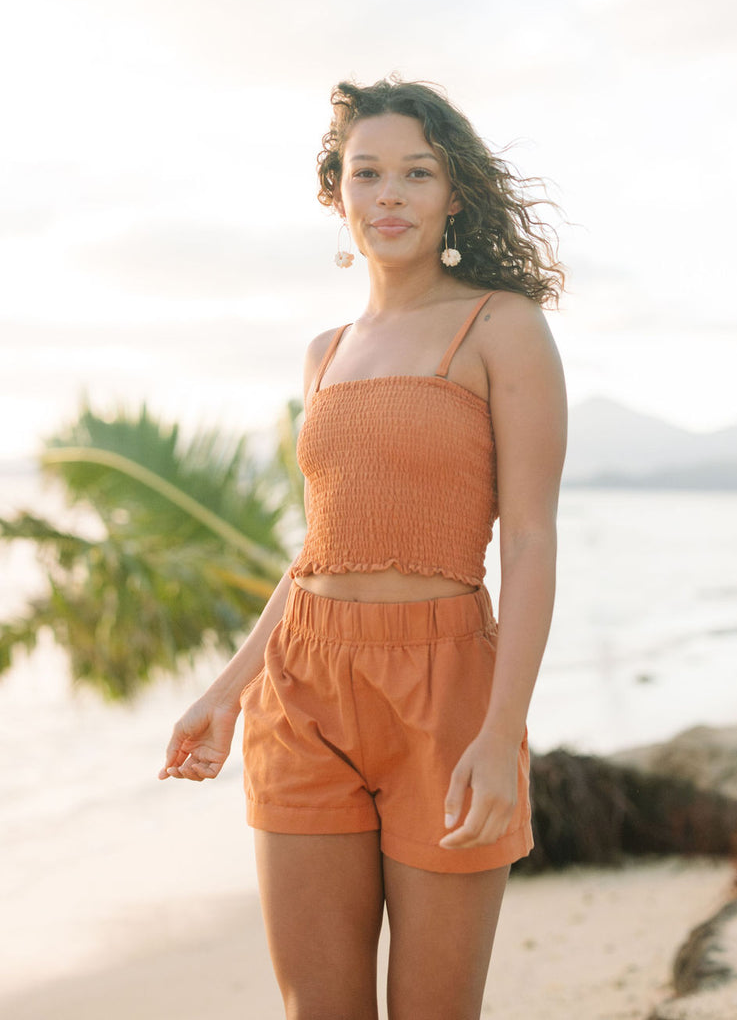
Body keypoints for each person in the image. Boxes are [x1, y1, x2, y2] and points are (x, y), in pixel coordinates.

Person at [159, 77, 567, 1020]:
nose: (389, 194)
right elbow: (322, 547)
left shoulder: (501, 325)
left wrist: (502, 733)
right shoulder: (325, 351)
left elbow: (534, 540)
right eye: (366, 171)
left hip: (449, 689)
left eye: (415, 173)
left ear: (452, 192)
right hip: (304, 688)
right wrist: (227, 691)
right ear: (336, 193)